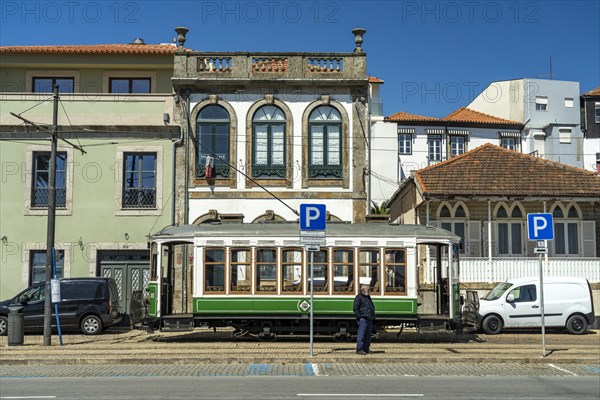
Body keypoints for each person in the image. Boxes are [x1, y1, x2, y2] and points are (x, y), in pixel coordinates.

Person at [353, 284, 375, 355]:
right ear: (363, 290)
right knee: (361, 335)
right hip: (363, 318)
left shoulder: (368, 297)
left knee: (368, 335)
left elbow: (371, 306)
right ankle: (359, 349)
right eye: (367, 290)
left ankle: (366, 348)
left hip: (369, 318)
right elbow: (355, 308)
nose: (369, 291)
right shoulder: (358, 297)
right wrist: (360, 317)